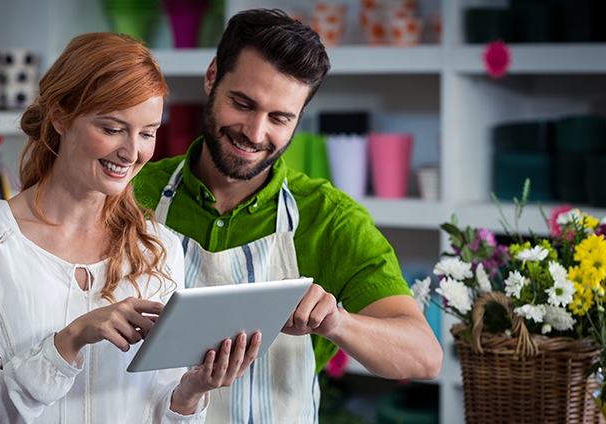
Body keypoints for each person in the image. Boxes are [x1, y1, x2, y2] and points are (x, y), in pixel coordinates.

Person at [133, 8, 444, 423]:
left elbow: (423, 357)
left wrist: (338, 323)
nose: (256, 133)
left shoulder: (329, 218)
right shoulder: (133, 192)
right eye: (243, 104)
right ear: (212, 77)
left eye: (280, 118)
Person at [0, 32, 261, 424]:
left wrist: (190, 394)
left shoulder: (159, 247)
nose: (131, 152)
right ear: (60, 115)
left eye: (147, 133)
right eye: (111, 128)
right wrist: (70, 340)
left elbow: (162, 410)